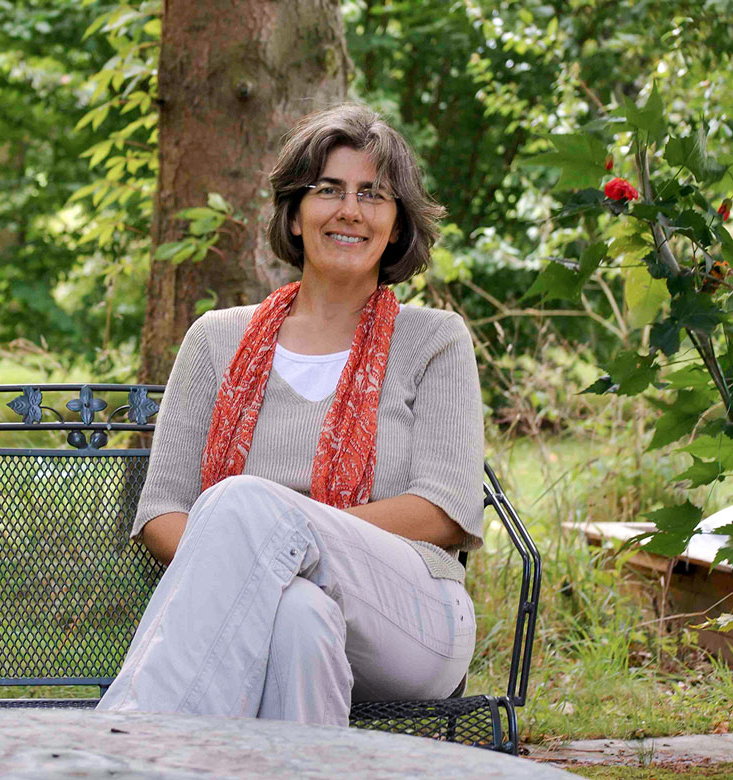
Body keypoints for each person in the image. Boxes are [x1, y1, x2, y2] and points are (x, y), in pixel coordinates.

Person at [95, 103, 484, 727]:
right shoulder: (216, 339)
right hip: (277, 610)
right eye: (328, 190)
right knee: (299, 616)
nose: (350, 210)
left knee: (244, 504)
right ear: (296, 214)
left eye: (373, 195)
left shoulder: (434, 338)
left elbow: (445, 509)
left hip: (413, 619)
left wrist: (283, 534)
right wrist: (271, 560)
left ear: (396, 224)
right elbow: (162, 513)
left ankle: (139, 741)